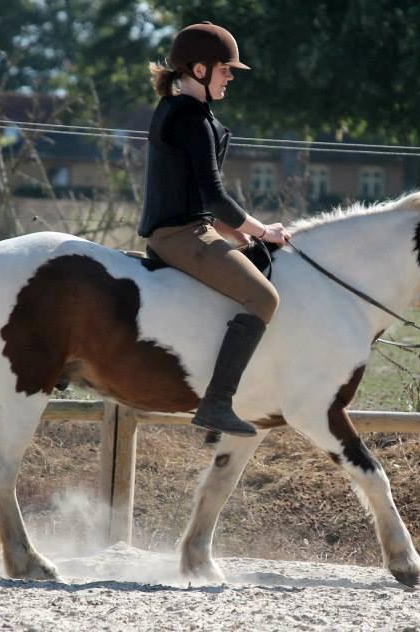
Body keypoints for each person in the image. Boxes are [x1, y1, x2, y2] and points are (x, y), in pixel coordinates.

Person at [138, 22, 290, 437]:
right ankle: (217, 404)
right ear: (200, 69)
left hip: (189, 228)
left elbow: (200, 198)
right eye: (226, 69)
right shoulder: (191, 120)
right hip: (180, 235)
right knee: (262, 298)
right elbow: (216, 197)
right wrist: (262, 232)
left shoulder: (185, 112)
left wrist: (241, 237)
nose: (231, 77)